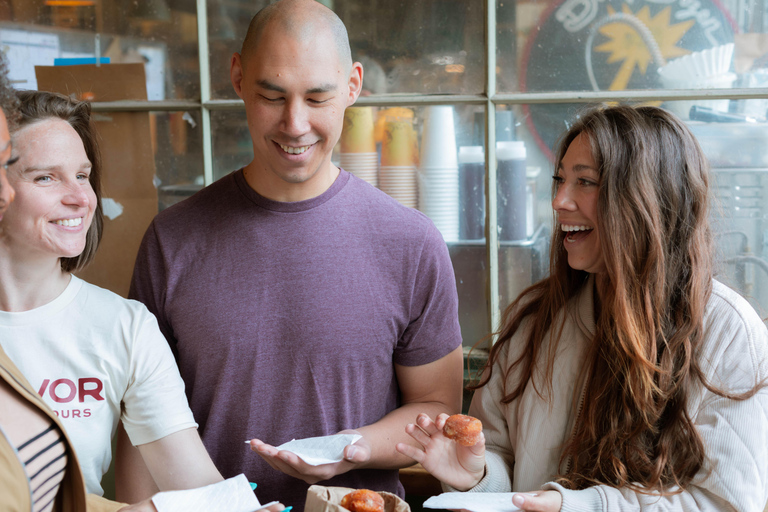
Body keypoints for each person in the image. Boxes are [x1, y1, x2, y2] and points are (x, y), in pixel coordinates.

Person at [129, 0, 464, 509]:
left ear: (352, 86)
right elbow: (141, 417)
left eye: (317, 97)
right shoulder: (171, 240)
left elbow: (435, 406)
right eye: (272, 96)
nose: (295, 123)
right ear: (238, 78)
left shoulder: (411, 242)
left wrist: (348, 449)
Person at [396, 105, 768, 512]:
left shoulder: (729, 333)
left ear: (648, 198)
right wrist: (478, 476)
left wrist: (583, 505)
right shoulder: (534, 321)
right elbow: (504, 465)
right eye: (560, 180)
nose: (559, 201)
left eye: (585, 182)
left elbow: (726, 503)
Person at [0, 89, 226, 499]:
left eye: (82, 175)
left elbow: (197, 488)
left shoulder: (124, 326)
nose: (80, 198)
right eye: (46, 177)